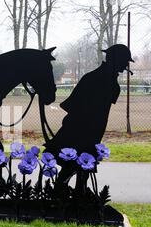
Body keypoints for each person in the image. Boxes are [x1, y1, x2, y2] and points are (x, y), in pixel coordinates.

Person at [45, 44, 134, 186]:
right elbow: (74, 106)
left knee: (81, 171)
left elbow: (71, 105)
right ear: (116, 60)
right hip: (81, 134)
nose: (126, 65)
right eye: (125, 61)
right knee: (72, 168)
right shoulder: (101, 81)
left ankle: (76, 198)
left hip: (89, 133)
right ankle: (63, 198)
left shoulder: (104, 80)